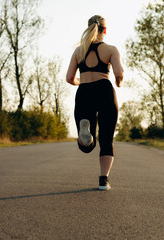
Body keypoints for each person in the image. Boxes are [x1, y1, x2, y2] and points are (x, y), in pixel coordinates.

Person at [66, 15, 124, 190]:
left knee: (87, 147)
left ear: (88, 28)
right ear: (104, 30)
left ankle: (87, 135)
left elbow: (69, 78)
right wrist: (119, 83)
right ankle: (103, 180)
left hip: (84, 93)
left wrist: (80, 82)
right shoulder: (111, 49)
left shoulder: (78, 52)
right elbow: (119, 73)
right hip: (105, 91)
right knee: (106, 139)